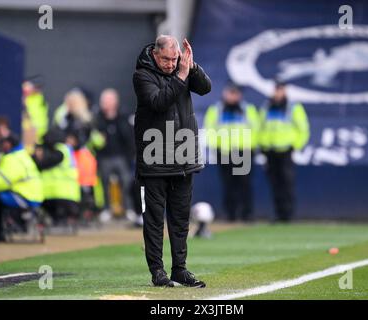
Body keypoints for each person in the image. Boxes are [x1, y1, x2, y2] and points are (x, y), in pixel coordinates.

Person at [133, 35, 211, 287]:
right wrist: (181, 75)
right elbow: (158, 102)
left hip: (183, 158)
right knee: (154, 221)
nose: (170, 64)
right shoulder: (142, 75)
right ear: (155, 55)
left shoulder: (183, 68)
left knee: (179, 220)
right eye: (165, 59)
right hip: (154, 160)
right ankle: (157, 271)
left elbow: (205, 87)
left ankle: (180, 269)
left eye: (174, 59)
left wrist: (192, 66)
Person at [204, 82, 259, 222]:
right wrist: (216, 147)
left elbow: (256, 129)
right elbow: (209, 130)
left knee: (244, 184)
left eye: (236, 93)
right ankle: (231, 215)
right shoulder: (216, 110)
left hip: (243, 151)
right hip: (224, 152)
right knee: (228, 185)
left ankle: (247, 215)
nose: (233, 96)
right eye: (231, 92)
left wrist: (251, 147)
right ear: (225, 93)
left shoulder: (248, 110)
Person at [259, 82, 310, 222]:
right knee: (275, 184)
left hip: (285, 151)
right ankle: (278, 213)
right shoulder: (267, 107)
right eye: (276, 89)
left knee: (286, 183)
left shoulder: (293, 107)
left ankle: (288, 214)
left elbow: (303, 129)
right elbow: (261, 127)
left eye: (280, 89)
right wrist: (263, 145)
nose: (278, 92)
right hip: (270, 151)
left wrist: (295, 146)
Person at [0, 135, 43, 241]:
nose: (2, 145)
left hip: (26, 197)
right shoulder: (21, 155)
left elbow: (0, 182)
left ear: (9, 144)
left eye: (4, 142)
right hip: (31, 195)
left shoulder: (13, 158)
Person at [95, 88, 136, 221]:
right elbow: (95, 137)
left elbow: (129, 137)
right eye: (104, 101)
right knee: (104, 182)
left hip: (121, 157)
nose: (105, 103)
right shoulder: (97, 118)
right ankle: (107, 209)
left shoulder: (123, 116)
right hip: (104, 157)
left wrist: (131, 154)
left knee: (126, 182)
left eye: (108, 100)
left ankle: (128, 208)